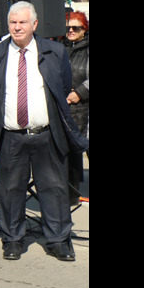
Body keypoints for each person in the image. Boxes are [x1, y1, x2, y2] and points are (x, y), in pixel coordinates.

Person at [0, 2, 89, 261]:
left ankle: (58, 240)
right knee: (10, 191)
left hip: (47, 134)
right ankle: (12, 239)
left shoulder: (55, 52)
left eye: (23, 22)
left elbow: (63, 85)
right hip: (11, 137)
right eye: (13, 22)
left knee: (54, 190)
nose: (17, 27)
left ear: (34, 25)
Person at [63, 11, 89, 202]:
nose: (71, 30)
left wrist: (78, 93)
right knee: (69, 151)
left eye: (76, 27)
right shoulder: (61, 47)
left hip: (85, 107)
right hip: (67, 107)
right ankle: (72, 194)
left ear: (84, 29)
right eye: (68, 27)